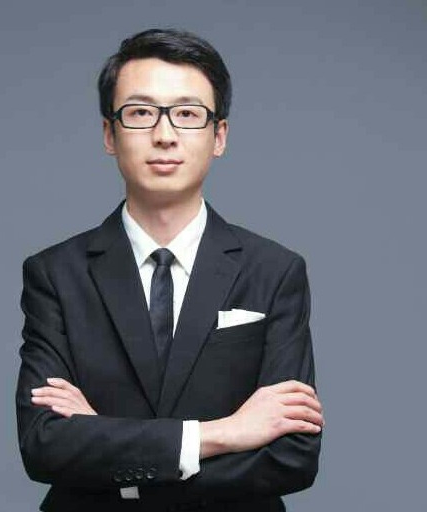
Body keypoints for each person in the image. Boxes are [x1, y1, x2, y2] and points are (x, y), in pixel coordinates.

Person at [16, 28, 324, 512]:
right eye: (140, 113)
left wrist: (113, 462)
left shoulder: (275, 271)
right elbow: (45, 445)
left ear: (219, 136)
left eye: (187, 114)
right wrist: (222, 433)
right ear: (109, 134)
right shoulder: (55, 274)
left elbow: (292, 457)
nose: (164, 135)